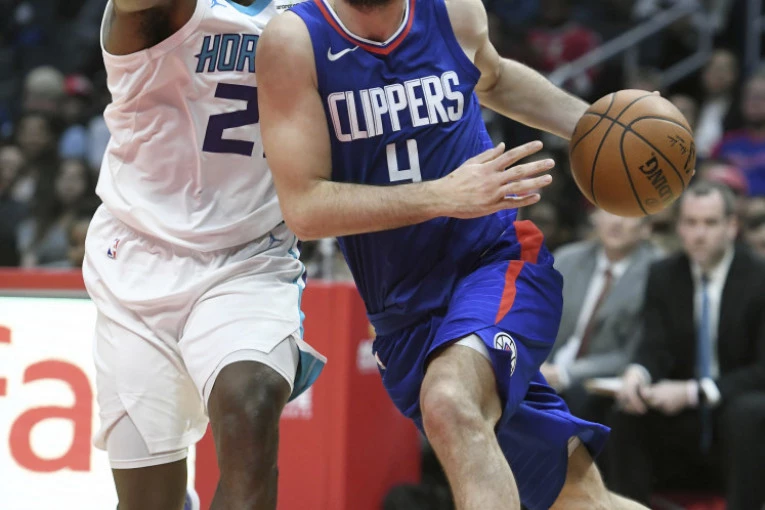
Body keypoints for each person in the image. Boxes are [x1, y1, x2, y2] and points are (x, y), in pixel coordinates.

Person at [256, 0, 648, 508]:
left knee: (448, 401)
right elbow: (305, 209)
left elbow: (495, 78)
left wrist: (597, 124)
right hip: (404, 316)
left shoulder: (453, 11)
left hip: (494, 263)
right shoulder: (295, 40)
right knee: (579, 497)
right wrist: (443, 196)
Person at [83, 1, 325, 509]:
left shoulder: (318, 14)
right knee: (149, 502)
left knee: (251, 403)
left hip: (250, 259)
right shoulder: (161, 10)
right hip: (138, 257)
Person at [611, 181, 765, 509]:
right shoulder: (664, 274)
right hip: (683, 410)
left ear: (731, 226)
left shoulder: (759, 276)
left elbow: (762, 370)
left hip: (736, 400)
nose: (699, 234)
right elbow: (655, 345)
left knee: (746, 413)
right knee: (626, 412)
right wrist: (638, 373)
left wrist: (695, 392)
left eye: (710, 223)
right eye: (690, 223)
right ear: (678, 227)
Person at [542, 210, 658, 427]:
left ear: (646, 228)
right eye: (609, 210)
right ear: (595, 217)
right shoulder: (567, 259)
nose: (617, 221)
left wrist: (564, 374)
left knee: (579, 402)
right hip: (545, 372)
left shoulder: (657, 272)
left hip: (600, 385)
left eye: (627, 213)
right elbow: (534, 322)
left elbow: (633, 352)